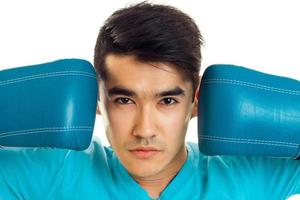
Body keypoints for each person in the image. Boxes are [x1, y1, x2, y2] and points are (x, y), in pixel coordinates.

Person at [0, 2, 299, 200]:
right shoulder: (52, 172)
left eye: (167, 100)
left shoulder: (248, 174)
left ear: (196, 103)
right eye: (124, 100)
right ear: (96, 100)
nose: (144, 130)